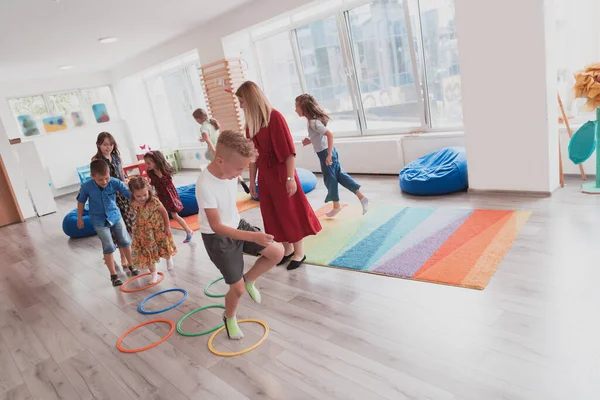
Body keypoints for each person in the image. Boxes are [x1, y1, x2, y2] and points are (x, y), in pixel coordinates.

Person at [197, 130, 283, 339]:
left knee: (277, 252)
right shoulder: (205, 184)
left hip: (236, 225)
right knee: (237, 290)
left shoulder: (228, 170)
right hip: (218, 238)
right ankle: (230, 316)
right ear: (220, 161)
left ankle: (249, 279)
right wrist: (254, 237)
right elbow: (217, 226)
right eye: (239, 169)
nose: (240, 174)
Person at [235, 81, 322, 271]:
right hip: (266, 175)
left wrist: (290, 178)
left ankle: (299, 252)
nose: (240, 105)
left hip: (282, 172)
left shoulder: (275, 118)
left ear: (250, 99)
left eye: (241, 101)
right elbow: (253, 157)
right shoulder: (251, 124)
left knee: (288, 211)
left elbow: (289, 152)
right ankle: (287, 249)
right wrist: (252, 181)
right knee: (271, 213)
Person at [296, 94, 369, 217]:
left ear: (304, 108)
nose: (295, 110)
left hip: (326, 154)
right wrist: (309, 140)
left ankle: (337, 206)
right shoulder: (311, 122)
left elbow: (329, 135)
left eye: (296, 107)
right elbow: (319, 137)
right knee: (339, 176)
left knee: (330, 180)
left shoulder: (314, 123)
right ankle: (361, 197)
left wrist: (329, 155)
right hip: (326, 153)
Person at [77, 160, 133, 286]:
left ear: (109, 174)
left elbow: (128, 194)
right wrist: (80, 218)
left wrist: (140, 199)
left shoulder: (114, 182)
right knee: (108, 245)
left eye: (106, 178)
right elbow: (81, 201)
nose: (104, 182)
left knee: (125, 240)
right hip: (98, 219)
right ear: (92, 177)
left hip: (115, 216)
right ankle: (113, 275)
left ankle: (132, 266)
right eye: (100, 179)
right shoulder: (86, 187)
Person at [93, 132, 138, 275]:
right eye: (105, 144)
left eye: (111, 144)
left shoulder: (116, 157)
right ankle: (122, 257)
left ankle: (130, 254)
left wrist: (127, 183)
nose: (108, 147)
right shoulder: (96, 160)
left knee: (128, 224)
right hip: (110, 198)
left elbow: (122, 174)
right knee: (116, 227)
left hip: (122, 193)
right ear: (99, 145)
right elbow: (97, 179)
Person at [128, 176, 177, 283]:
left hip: (158, 229)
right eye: (138, 196)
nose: (142, 198)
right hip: (144, 233)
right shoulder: (132, 204)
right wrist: (133, 232)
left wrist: (167, 226)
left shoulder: (154, 201)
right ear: (133, 194)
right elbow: (132, 219)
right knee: (147, 253)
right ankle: (154, 274)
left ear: (148, 191)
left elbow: (164, 212)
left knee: (163, 245)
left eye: (145, 194)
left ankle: (169, 258)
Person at [193, 108, 251, 194]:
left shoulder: (203, 127)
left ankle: (219, 185)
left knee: (220, 169)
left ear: (198, 119)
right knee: (229, 167)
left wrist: (213, 150)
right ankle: (241, 181)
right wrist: (204, 140)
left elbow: (208, 139)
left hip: (214, 150)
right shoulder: (212, 123)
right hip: (222, 148)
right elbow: (210, 137)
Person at [144, 150, 194, 243]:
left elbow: (167, 184)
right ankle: (163, 236)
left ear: (156, 161)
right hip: (160, 195)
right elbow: (154, 184)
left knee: (174, 215)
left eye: (149, 163)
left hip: (169, 195)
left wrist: (160, 176)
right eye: (146, 163)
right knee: (160, 214)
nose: (147, 165)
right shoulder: (151, 172)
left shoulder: (164, 170)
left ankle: (189, 231)